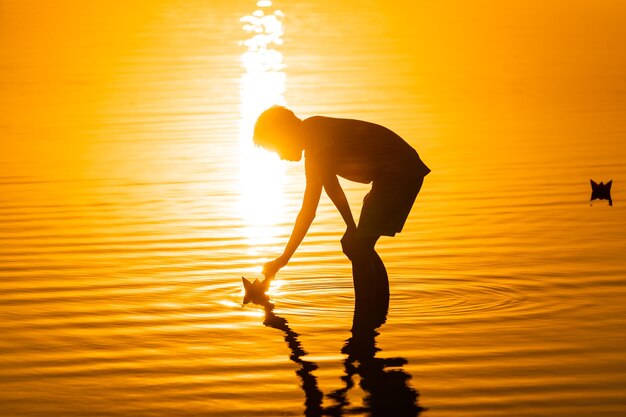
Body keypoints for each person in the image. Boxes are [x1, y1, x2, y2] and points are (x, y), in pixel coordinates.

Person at [254, 106, 430, 304]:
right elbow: (311, 207)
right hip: (389, 175)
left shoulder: (315, 132)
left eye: (277, 148)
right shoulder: (313, 151)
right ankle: (375, 309)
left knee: (359, 245)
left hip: (398, 171)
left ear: (284, 134)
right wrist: (283, 259)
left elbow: (327, 191)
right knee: (357, 245)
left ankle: (367, 312)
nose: (280, 156)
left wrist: (350, 226)